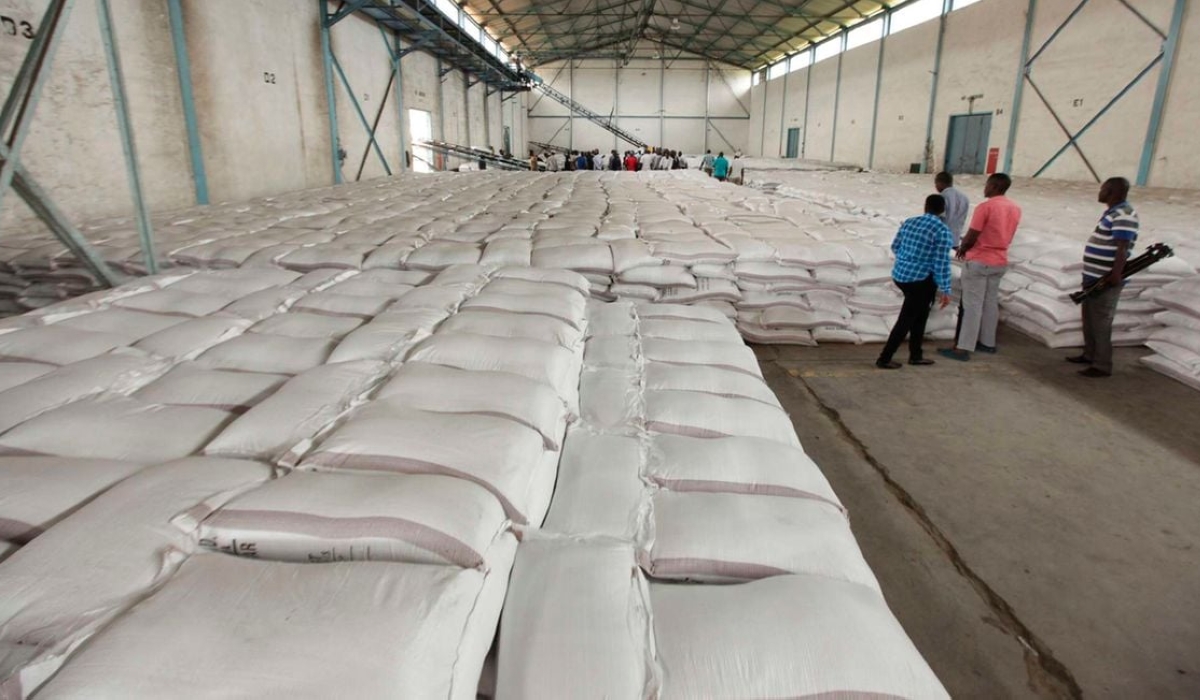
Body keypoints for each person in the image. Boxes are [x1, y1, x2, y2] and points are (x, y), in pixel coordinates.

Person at [939, 173, 1021, 362]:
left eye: (987, 184)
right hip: (999, 260)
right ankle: (987, 342)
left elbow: (973, 233)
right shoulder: (1015, 208)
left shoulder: (986, 207)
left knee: (972, 305)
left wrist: (963, 247)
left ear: (994, 186)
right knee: (990, 302)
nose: (985, 188)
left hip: (980, 259)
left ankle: (963, 348)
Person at [1067, 177, 1139, 378]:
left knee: (1101, 322)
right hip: (1093, 276)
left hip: (1106, 278)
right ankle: (1089, 354)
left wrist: (1116, 274)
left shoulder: (1125, 214)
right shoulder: (1113, 212)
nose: (1100, 192)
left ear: (1112, 192)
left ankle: (1102, 365)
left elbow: (1122, 247)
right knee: (1089, 318)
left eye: (1103, 189)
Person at [877, 195, 955, 369]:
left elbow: (895, 246)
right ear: (943, 210)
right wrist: (946, 289)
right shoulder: (942, 231)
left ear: (925, 206)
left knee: (921, 315)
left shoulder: (909, 222)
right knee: (907, 319)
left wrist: (908, 260)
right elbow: (941, 262)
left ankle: (916, 355)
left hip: (901, 275)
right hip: (920, 281)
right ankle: (884, 358)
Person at [934, 171, 969, 247]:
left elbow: (938, 219)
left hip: (940, 239)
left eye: (936, 183)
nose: (935, 186)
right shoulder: (964, 198)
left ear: (940, 183)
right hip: (955, 239)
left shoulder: (941, 197)